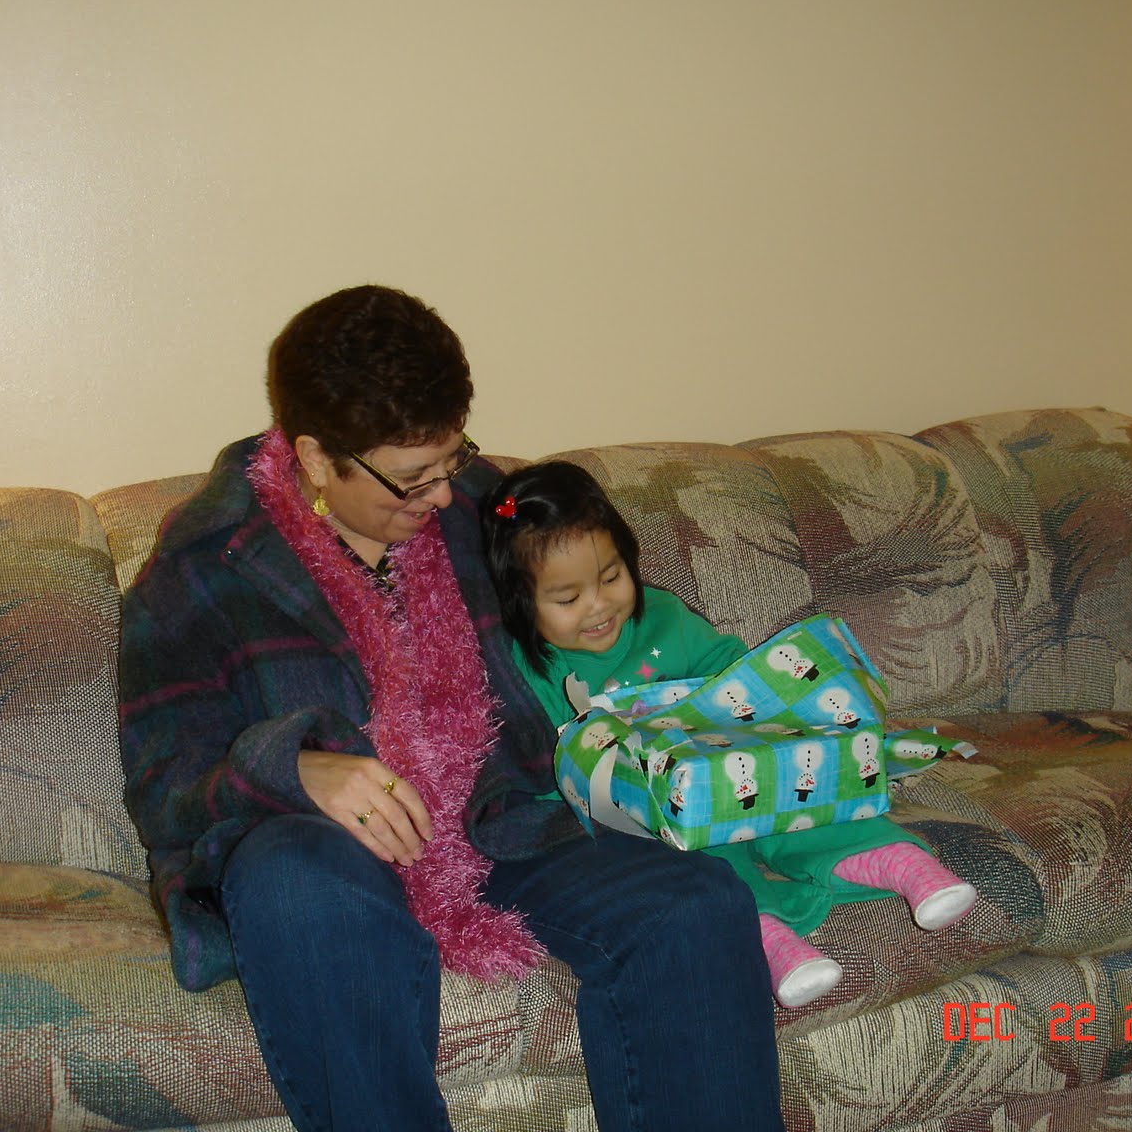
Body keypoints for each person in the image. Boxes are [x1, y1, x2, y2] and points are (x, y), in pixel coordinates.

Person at [117, 285, 783, 1132]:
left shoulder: (485, 508)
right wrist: (293, 767)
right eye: (409, 479)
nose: (440, 497)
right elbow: (164, 787)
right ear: (316, 457)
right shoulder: (202, 567)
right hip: (323, 854)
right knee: (295, 883)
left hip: (502, 818)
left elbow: (606, 626)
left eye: (451, 459)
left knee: (694, 902)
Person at [480, 460, 978, 1008]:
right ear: (522, 604)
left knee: (805, 796)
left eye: (612, 577)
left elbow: (737, 672)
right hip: (655, 810)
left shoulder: (665, 616)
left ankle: (905, 866)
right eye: (568, 599)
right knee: (710, 863)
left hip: (733, 758)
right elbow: (548, 766)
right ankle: (773, 940)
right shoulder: (532, 669)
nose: (598, 606)